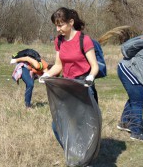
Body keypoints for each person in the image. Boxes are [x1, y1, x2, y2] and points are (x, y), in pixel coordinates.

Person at [39, 7, 99, 146]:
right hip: (67, 86)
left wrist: (90, 77)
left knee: (83, 124)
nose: (57, 29)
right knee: (58, 125)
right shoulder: (59, 41)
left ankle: (85, 157)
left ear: (71, 22)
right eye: (56, 26)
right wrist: (47, 74)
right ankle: (73, 152)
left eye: (60, 25)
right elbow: (59, 65)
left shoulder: (84, 40)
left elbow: (94, 66)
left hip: (84, 85)